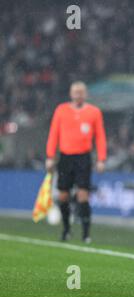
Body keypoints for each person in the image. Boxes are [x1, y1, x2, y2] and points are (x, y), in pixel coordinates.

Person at [45, 81, 107, 244]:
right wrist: (50, 156)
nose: (78, 95)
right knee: (63, 195)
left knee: (83, 195)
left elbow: (100, 136)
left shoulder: (94, 112)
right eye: (75, 92)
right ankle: (66, 229)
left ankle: (86, 234)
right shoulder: (61, 110)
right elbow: (54, 134)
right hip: (66, 157)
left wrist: (101, 159)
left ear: (85, 94)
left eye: (81, 92)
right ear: (71, 94)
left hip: (83, 158)